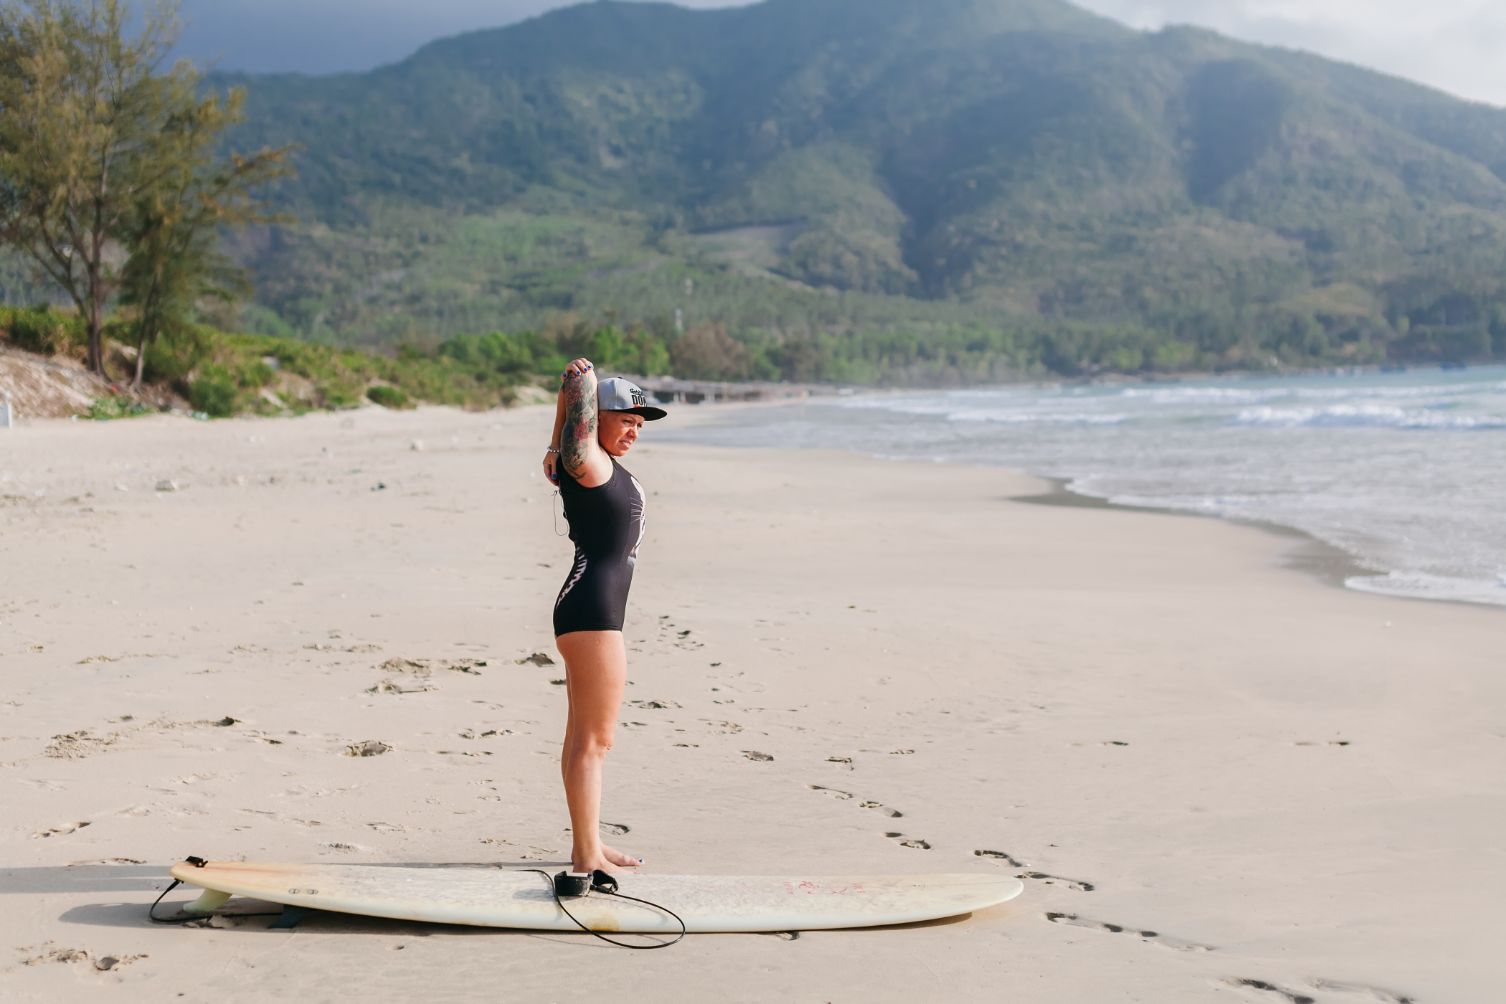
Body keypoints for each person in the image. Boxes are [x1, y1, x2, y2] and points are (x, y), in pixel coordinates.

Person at [542, 358, 667, 875]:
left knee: (584, 739)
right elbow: (575, 392)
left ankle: (586, 845)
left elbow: (559, 444)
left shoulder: (576, 460)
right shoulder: (585, 461)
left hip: (589, 608)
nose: (635, 431)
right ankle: (587, 853)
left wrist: (560, 420)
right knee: (596, 740)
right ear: (596, 417)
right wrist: (580, 383)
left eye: (640, 425)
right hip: (592, 612)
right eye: (627, 420)